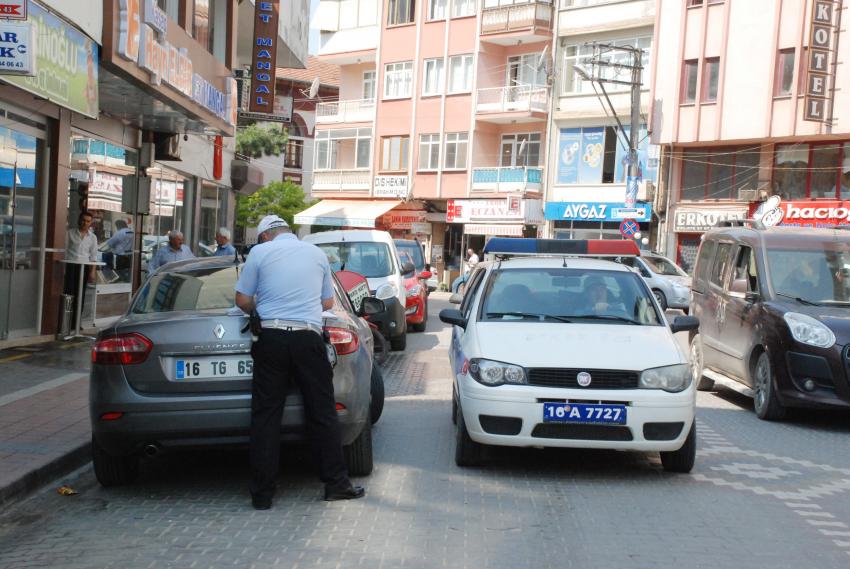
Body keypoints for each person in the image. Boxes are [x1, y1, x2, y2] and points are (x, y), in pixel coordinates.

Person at [234, 214, 364, 510]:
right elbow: (328, 304)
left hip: (272, 338)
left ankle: (262, 494)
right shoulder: (317, 254)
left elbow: (242, 300)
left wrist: (263, 303)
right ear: (287, 232)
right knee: (322, 412)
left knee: (266, 415)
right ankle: (336, 484)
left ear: (266, 235)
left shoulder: (260, 252)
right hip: (308, 338)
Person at [64, 211, 99, 326]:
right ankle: (66, 322)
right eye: (83, 220)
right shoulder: (69, 233)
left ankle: (77, 323)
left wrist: (92, 272)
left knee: (80, 294)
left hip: (83, 268)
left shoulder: (92, 238)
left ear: (90, 223)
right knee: (69, 293)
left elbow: (93, 256)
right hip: (70, 266)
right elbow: (63, 251)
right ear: (79, 220)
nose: (85, 223)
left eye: (88, 221)